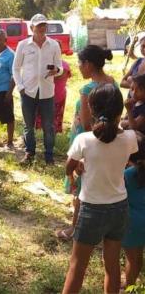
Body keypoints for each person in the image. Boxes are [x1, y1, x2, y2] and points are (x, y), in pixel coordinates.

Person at [62, 84, 138, 294]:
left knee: (77, 266)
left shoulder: (83, 140)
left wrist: (75, 170)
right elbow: (121, 158)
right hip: (119, 208)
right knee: (112, 266)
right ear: (119, 111)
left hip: (91, 209)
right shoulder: (130, 138)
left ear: (92, 110)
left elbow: (69, 167)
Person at [57, 45, 116, 240]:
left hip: (86, 145)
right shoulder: (112, 84)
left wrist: (82, 155)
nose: (79, 68)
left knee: (81, 190)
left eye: (80, 64)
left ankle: (75, 229)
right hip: (109, 141)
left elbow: (86, 125)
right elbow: (115, 117)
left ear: (88, 64)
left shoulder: (87, 90)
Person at [13, 14, 63, 165]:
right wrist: (20, 87)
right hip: (28, 92)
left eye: (44, 25)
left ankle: (49, 155)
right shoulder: (23, 45)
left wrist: (57, 70)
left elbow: (60, 67)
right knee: (28, 125)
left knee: (49, 126)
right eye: (38, 25)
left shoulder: (53, 45)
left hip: (47, 92)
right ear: (31, 27)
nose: (42, 28)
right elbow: (15, 68)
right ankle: (30, 153)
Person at [122, 131, 145, 287]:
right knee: (139, 257)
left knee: (133, 258)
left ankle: (129, 286)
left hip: (133, 223)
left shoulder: (127, 175)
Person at [35, 40, 71, 134]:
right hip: (44, 96)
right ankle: (45, 140)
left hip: (57, 97)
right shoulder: (45, 64)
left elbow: (56, 76)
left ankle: (51, 141)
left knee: (53, 122)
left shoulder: (63, 65)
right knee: (43, 122)